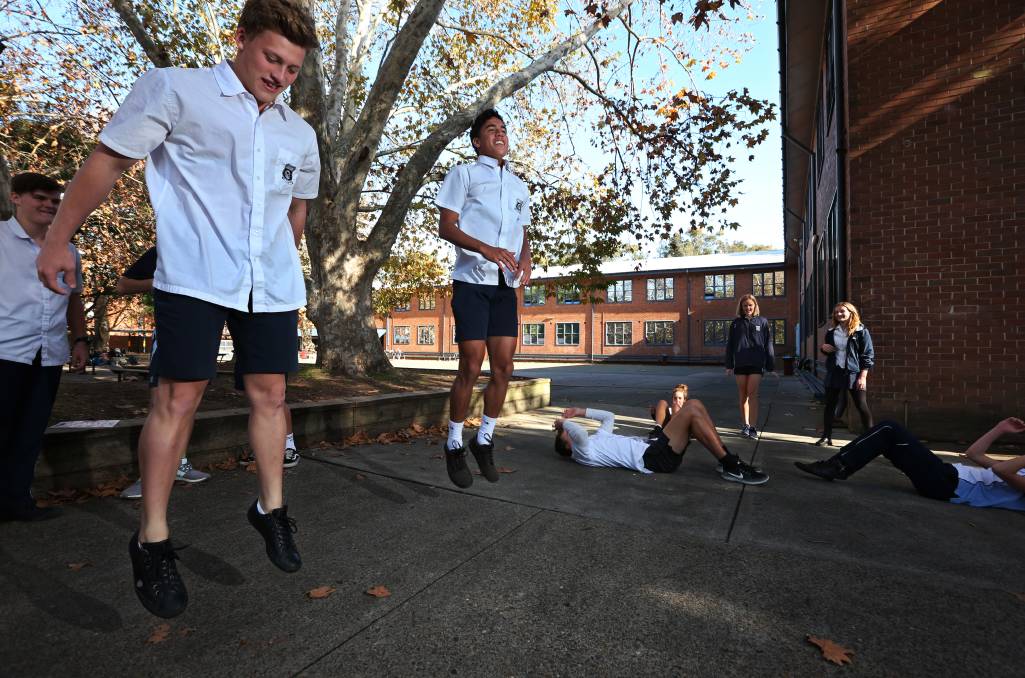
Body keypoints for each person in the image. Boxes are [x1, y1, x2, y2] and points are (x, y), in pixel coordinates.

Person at [35, 0, 320, 618]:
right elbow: (108, 162)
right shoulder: (178, 90)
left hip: (268, 286)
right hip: (195, 275)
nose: (280, 75)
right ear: (241, 38)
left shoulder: (299, 132)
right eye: (273, 58)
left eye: (292, 68)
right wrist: (58, 238)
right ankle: (153, 538)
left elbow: (297, 207)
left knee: (271, 394)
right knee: (178, 398)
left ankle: (272, 509)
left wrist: (284, 251)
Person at [435, 109, 532, 488]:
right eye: (492, 129)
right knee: (472, 364)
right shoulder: (464, 174)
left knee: (504, 366)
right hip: (472, 282)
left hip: (505, 286)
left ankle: (485, 438)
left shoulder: (520, 186)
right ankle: (454, 442)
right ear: (477, 141)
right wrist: (486, 249)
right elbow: (446, 226)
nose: (500, 134)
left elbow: (523, 232)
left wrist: (525, 259)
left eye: (504, 129)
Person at [0, 172, 88, 521]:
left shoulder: (67, 250)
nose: (49, 205)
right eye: (40, 198)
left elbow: (74, 300)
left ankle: (16, 502)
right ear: (16, 197)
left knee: (30, 431)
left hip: (48, 353)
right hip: (5, 351)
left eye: (55, 200)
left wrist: (79, 339)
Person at [114, 247, 211, 500]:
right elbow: (123, 285)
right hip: (170, 331)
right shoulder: (169, 244)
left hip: (202, 332)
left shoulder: (219, 243)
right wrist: (170, 279)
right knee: (162, 405)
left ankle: (179, 464)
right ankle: (147, 478)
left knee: (187, 405)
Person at [795, 418, 1025, 511]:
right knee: (887, 439)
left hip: (948, 486)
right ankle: (838, 466)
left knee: (889, 429)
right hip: (946, 475)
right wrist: (1000, 429)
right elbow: (974, 454)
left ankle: (837, 467)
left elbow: (1000, 469)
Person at [553, 400, 768, 485]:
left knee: (695, 405)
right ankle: (732, 466)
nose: (570, 433)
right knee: (690, 410)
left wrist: (579, 411)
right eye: (567, 435)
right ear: (569, 446)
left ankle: (726, 460)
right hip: (653, 459)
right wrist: (563, 423)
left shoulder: (597, 440)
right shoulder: (583, 453)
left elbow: (609, 417)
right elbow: (579, 432)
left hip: (653, 449)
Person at [814, 301, 874, 447]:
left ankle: (873, 439)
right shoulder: (831, 332)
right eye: (836, 312)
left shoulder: (861, 331)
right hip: (835, 372)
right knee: (829, 405)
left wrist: (863, 377)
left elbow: (868, 355)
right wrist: (823, 348)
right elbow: (828, 350)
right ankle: (826, 437)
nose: (839, 314)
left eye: (842, 311)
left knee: (861, 405)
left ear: (851, 312)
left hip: (853, 373)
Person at [725, 293, 774, 439]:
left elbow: (768, 344)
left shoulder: (763, 322)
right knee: (743, 396)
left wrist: (770, 366)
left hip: (756, 364)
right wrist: (729, 365)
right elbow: (730, 345)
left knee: (752, 394)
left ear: (755, 306)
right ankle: (745, 425)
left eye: (750, 305)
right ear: (741, 307)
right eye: (745, 305)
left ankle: (753, 427)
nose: (748, 308)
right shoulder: (735, 324)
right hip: (740, 364)